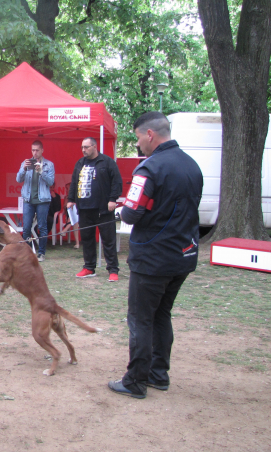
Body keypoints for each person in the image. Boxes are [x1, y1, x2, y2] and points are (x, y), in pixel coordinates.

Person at [108, 112, 203, 400]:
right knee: (161, 315)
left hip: (152, 259)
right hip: (182, 257)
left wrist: (122, 208)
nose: (137, 144)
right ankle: (158, 375)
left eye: (137, 137)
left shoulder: (149, 169)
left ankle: (135, 381)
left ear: (150, 134)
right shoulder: (192, 166)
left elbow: (133, 214)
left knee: (140, 319)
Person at [68, 137, 123, 281]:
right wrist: (71, 200)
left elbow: (117, 181)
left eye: (86, 147)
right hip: (85, 208)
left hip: (103, 208)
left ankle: (113, 269)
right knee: (87, 239)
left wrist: (112, 199)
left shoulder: (107, 162)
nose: (83, 150)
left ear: (94, 147)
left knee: (108, 239)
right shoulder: (80, 163)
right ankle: (89, 267)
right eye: (82, 147)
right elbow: (74, 182)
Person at [16, 140, 55, 262]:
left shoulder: (49, 164)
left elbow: (51, 182)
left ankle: (41, 253)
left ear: (42, 150)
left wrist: (41, 171)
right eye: (33, 150)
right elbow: (18, 179)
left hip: (43, 200)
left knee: (42, 227)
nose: (35, 153)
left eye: (37, 150)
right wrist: (24, 168)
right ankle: (27, 253)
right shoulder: (26, 162)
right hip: (28, 199)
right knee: (26, 227)